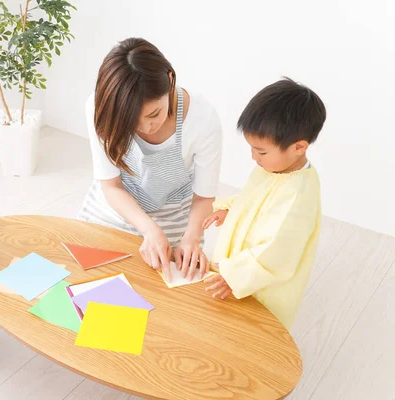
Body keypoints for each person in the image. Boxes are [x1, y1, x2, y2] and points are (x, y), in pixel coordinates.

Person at [78, 38, 223, 281]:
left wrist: (191, 238)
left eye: (153, 114)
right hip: (118, 201)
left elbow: (204, 196)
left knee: (169, 281)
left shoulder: (203, 118)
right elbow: (111, 186)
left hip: (174, 209)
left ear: (169, 79)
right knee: (90, 271)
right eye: (131, 123)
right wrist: (147, 229)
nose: (146, 128)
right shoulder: (100, 108)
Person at [203, 77, 325, 329]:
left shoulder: (298, 195)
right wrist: (230, 207)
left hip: (261, 285)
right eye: (252, 148)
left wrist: (235, 276)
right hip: (236, 272)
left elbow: (279, 251)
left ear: (299, 147)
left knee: (253, 327)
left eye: (261, 152)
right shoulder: (273, 167)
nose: (253, 157)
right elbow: (253, 197)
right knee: (223, 319)